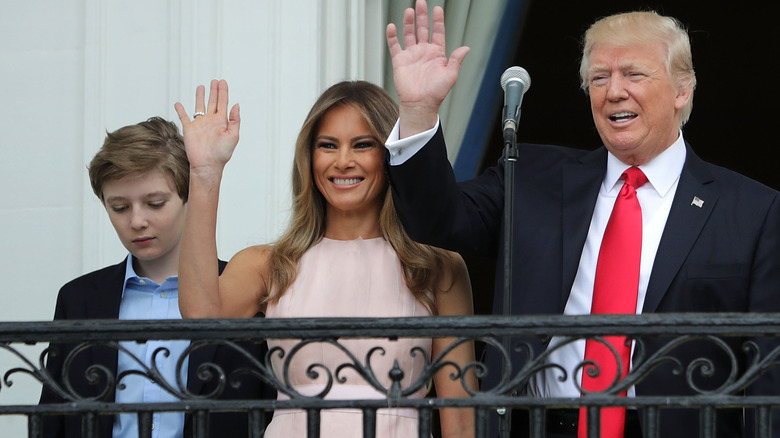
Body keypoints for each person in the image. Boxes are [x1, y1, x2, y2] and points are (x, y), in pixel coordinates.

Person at [383, 1, 780, 437]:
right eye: (599, 78)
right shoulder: (532, 178)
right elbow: (438, 221)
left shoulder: (752, 211)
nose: (613, 91)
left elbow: (769, 369)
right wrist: (419, 110)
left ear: (682, 90)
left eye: (633, 74)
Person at [173, 79, 477, 438]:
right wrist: (205, 173)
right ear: (310, 157)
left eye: (362, 145)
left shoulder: (438, 265)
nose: (343, 161)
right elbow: (200, 316)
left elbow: (460, 416)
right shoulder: (269, 264)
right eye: (328, 146)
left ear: (389, 154)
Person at [39, 117, 271, 438]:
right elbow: (54, 416)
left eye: (155, 203)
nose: (137, 221)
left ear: (187, 196)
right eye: (119, 207)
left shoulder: (242, 288)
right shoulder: (78, 299)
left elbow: (270, 404)